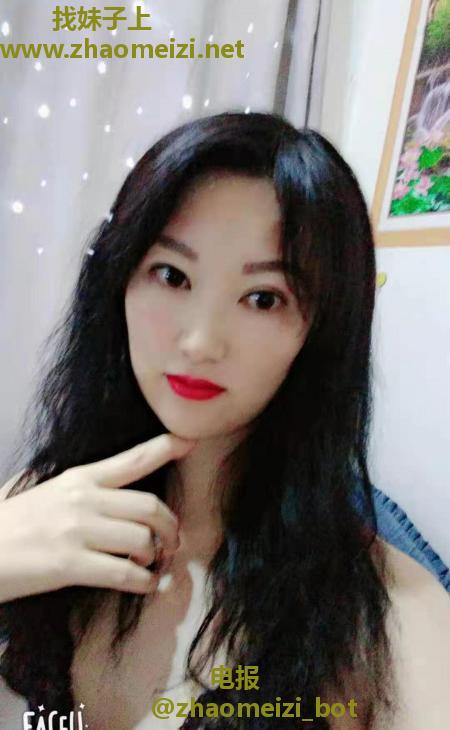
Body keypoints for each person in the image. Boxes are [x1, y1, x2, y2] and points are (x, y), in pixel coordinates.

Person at [0, 111, 449, 730]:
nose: (201, 342)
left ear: (320, 332)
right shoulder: (37, 505)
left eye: (263, 298)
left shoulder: (391, 611)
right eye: (171, 275)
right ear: (119, 283)